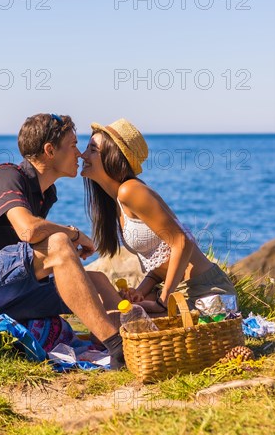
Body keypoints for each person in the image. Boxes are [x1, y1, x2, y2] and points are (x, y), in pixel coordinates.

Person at [0, 114, 124, 369]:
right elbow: (28, 232)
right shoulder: (7, 176)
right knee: (58, 243)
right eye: (73, 144)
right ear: (49, 150)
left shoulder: (46, 194)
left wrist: (65, 253)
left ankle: (125, 340)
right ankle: (117, 348)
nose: (79, 154)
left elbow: (25, 252)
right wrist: (73, 234)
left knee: (96, 279)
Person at [81, 118, 237, 314]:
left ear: (112, 157)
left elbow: (182, 242)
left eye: (92, 150)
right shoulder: (117, 202)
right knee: (113, 318)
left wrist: (162, 302)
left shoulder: (130, 191)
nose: (82, 154)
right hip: (179, 290)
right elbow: (162, 259)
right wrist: (141, 291)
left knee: (118, 323)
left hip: (205, 292)